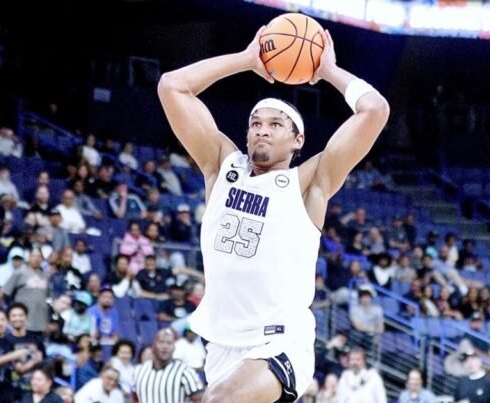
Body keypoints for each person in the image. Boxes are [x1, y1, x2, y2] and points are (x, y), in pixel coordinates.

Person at [158, 23, 388, 402]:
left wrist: (327, 70)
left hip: (280, 341)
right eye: (255, 124)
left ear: (297, 139)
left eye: (275, 124)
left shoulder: (309, 183)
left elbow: (375, 110)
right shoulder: (221, 166)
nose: (261, 131)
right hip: (222, 345)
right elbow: (172, 86)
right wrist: (247, 60)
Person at [132, 328, 204, 403]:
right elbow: (135, 398)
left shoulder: (185, 371)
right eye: (161, 342)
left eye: (169, 343)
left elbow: (200, 399)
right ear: (153, 345)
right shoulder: (139, 370)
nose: (165, 346)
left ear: (174, 347)